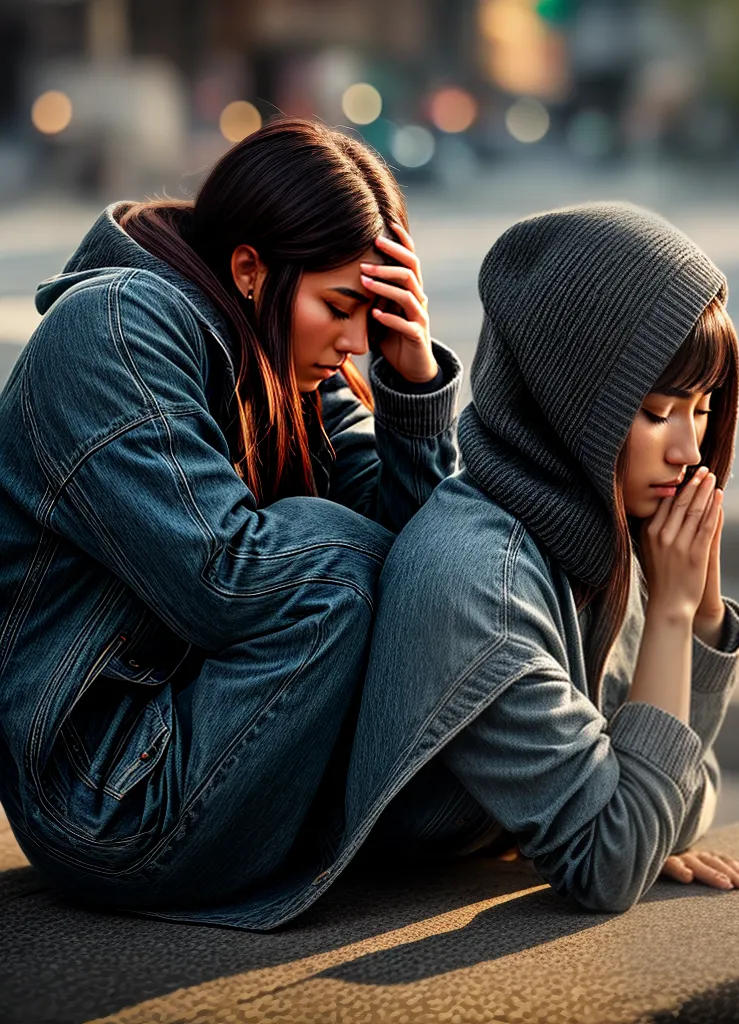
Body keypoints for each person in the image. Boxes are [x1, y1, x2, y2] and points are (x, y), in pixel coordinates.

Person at [0, 118, 462, 929]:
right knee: (334, 570)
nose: (355, 342)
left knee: (499, 549)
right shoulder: (115, 329)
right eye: (343, 307)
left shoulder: (293, 368)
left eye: (375, 315)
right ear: (250, 269)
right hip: (108, 796)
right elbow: (227, 584)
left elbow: (431, 563)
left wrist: (412, 380)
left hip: (223, 741)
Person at [344, 202, 739, 913]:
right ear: (569, 403)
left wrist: (704, 617)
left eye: (703, 407)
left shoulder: (588, 532)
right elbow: (610, 864)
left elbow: (686, 798)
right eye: (657, 412)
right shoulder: (480, 584)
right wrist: (673, 615)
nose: (690, 451)